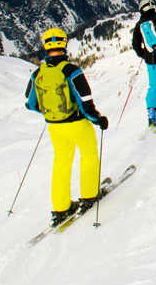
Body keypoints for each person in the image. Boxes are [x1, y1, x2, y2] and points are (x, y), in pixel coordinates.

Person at [25, 28, 109, 225]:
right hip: (77, 123)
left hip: (55, 127)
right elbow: (85, 101)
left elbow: (30, 104)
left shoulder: (37, 73)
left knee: (61, 163)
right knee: (88, 155)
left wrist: (50, 113)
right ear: (64, 44)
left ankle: (61, 208)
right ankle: (89, 196)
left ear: (45, 46)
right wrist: (97, 118)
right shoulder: (72, 71)